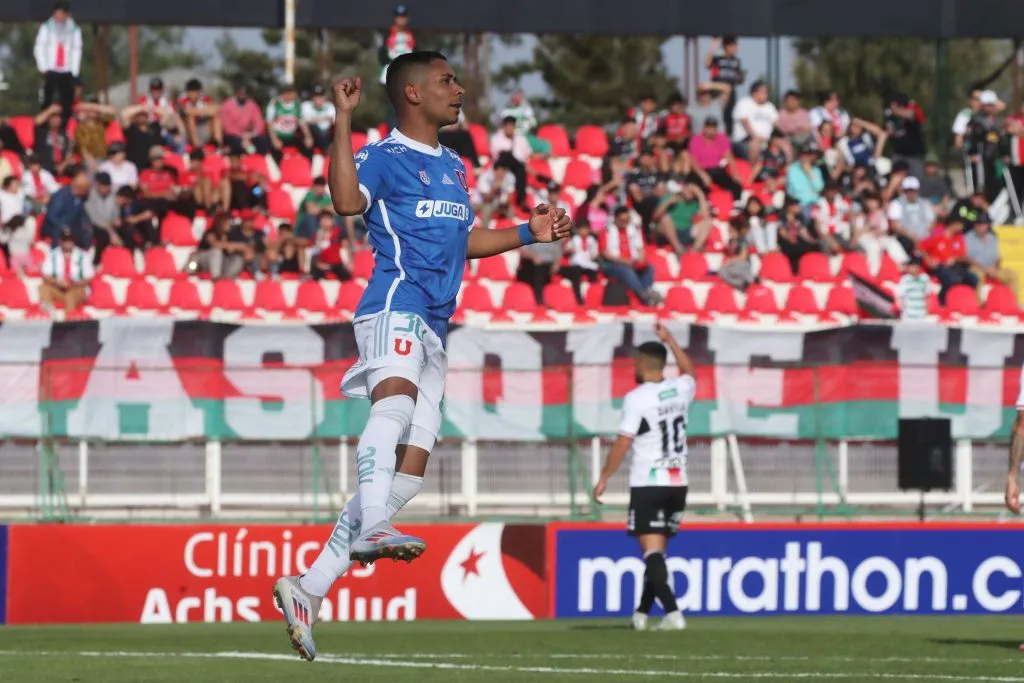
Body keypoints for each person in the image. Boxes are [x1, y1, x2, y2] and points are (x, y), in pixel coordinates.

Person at [271, 51, 570, 661]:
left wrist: (527, 233)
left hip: (436, 324)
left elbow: (462, 241)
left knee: (410, 472)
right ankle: (373, 526)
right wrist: (343, 119)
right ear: (412, 93)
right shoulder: (382, 156)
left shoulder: (455, 165)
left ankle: (310, 586)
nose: (458, 89)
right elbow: (346, 202)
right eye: (446, 81)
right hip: (393, 305)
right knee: (396, 404)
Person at [593, 322, 694, 632]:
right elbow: (690, 372)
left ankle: (674, 614)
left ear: (643, 364)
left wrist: (605, 476)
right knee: (657, 554)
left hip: (649, 482)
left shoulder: (637, 398)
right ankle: (641, 614)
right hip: (677, 483)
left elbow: (623, 442)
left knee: (651, 553)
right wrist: (671, 340)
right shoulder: (681, 388)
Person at [34, 1, 82, 127]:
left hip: (67, 69)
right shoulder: (47, 27)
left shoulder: (74, 29)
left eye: (61, 14)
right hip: (51, 68)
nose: (58, 17)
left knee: (67, 101)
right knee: (48, 99)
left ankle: (64, 125)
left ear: (67, 14)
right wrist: (43, 67)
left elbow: (76, 50)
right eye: (57, 14)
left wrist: (74, 71)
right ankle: (44, 125)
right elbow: (40, 47)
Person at [40, 227, 93, 315]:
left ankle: (69, 319)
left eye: (70, 240)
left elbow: (89, 276)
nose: (68, 242)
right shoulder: (52, 255)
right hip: (58, 288)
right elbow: (45, 275)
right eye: (65, 240)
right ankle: (49, 315)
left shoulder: (83, 255)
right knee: (44, 288)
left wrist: (75, 283)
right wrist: (57, 282)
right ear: (60, 241)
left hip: (77, 288)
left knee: (70, 296)